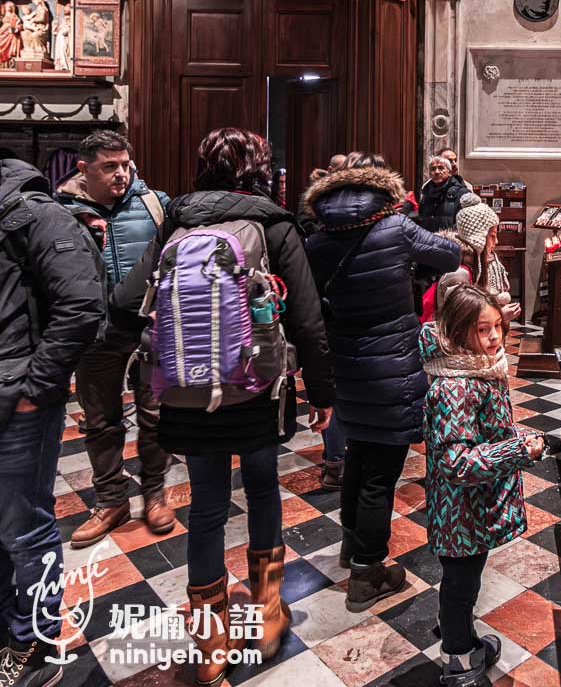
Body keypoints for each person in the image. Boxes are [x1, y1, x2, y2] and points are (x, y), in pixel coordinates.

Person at [113, 128, 335, 685]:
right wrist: (324, 394)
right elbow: (308, 319)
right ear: (259, 168)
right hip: (257, 389)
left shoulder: (177, 221)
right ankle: (265, 614)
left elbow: (123, 305)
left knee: (207, 508)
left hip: (187, 393)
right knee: (261, 490)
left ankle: (209, 639)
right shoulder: (273, 222)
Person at [302, 158, 459, 610]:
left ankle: (353, 547)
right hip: (392, 364)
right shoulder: (395, 228)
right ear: (380, 193)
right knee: (380, 474)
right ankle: (368, 572)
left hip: (345, 365)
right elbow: (449, 256)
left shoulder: (317, 240)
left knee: (358, 456)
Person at [0, 158, 106, 687]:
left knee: (25, 527)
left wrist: (34, 391)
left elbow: (84, 306)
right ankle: (10, 631)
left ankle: (37, 642)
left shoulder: (34, 212)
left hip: (18, 399)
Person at [55, 130, 175, 549]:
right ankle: (111, 500)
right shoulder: (61, 211)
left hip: (148, 326)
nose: (121, 173)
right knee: (100, 420)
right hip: (95, 331)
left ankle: (155, 493)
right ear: (83, 168)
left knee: (155, 414)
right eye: (110, 166)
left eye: (125, 164)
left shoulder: (154, 204)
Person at [421, 286, 545, 687]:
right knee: (461, 581)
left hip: (471, 504)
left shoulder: (474, 368)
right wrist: (517, 450)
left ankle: (458, 631)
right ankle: (457, 658)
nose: (494, 337)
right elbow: (457, 463)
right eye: (482, 329)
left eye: (498, 327)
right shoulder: (457, 384)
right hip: (461, 508)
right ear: (458, 332)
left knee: (464, 579)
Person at [433, 193, 520, 323]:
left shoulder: (476, 266)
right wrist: (499, 316)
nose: (496, 242)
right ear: (477, 238)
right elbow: (459, 321)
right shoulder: (458, 274)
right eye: (492, 236)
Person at [417, 154, 468, 233]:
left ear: (449, 171)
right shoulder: (426, 192)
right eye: (433, 169)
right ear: (429, 173)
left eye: (441, 168)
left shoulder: (462, 192)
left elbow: (468, 221)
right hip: (428, 240)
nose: (437, 172)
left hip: (451, 241)